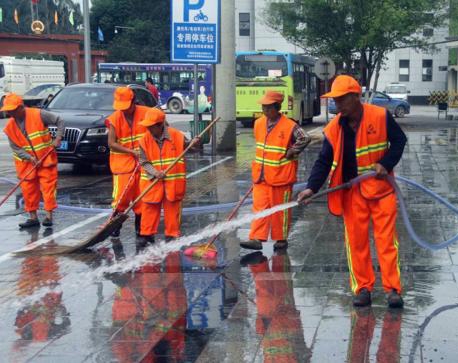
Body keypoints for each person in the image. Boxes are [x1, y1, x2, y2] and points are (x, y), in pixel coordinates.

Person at [297, 75, 407, 308]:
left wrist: (385, 163)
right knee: (356, 243)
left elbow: (399, 141)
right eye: (335, 101)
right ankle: (363, 288)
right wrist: (310, 188)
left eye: (342, 100)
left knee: (386, 241)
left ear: (356, 97)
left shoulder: (380, 116)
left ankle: (393, 290)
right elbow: (324, 160)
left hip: (382, 190)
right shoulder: (334, 127)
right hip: (352, 192)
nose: (338, 106)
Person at [240, 90, 311, 251]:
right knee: (259, 208)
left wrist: (293, 150)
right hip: (261, 175)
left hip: (281, 176)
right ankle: (257, 238)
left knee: (280, 211)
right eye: (263, 107)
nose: (264, 110)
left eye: (268, 107)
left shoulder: (290, 125)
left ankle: (281, 239)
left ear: (277, 107)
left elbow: (305, 138)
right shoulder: (258, 123)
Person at [137, 108, 199, 243]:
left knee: (172, 212)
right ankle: (146, 235)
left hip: (173, 184)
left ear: (160, 125)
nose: (148, 129)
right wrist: (155, 172)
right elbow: (143, 161)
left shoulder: (177, 136)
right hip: (152, 183)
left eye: (151, 126)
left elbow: (191, 148)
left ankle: (172, 236)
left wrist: (194, 143)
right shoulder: (144, 140)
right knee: (149, 210)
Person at [2, 93, 64, 228]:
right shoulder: (9, 128)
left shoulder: (38, 114)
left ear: (21, 107)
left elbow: (60, 120)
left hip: (45, 158)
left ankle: (48, 216)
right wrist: (30, 158)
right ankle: (33, 218)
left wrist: (58, 138)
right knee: (29, 190)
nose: (10, 113)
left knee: (48, 188)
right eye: (8, 110)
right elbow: (16, 148)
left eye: (12, 110)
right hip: (26, 163)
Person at [107, 87, 149, 237]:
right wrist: (131, 152)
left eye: (126, 107)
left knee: (142, 196)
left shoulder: (146, 113)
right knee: (121, 197)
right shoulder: (114, 119)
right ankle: (114, 225)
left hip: (143, 163)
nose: (124, 111)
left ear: (133, 102)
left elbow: (162, 129)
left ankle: (140, 226)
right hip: (122, 164)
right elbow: (111, 143)